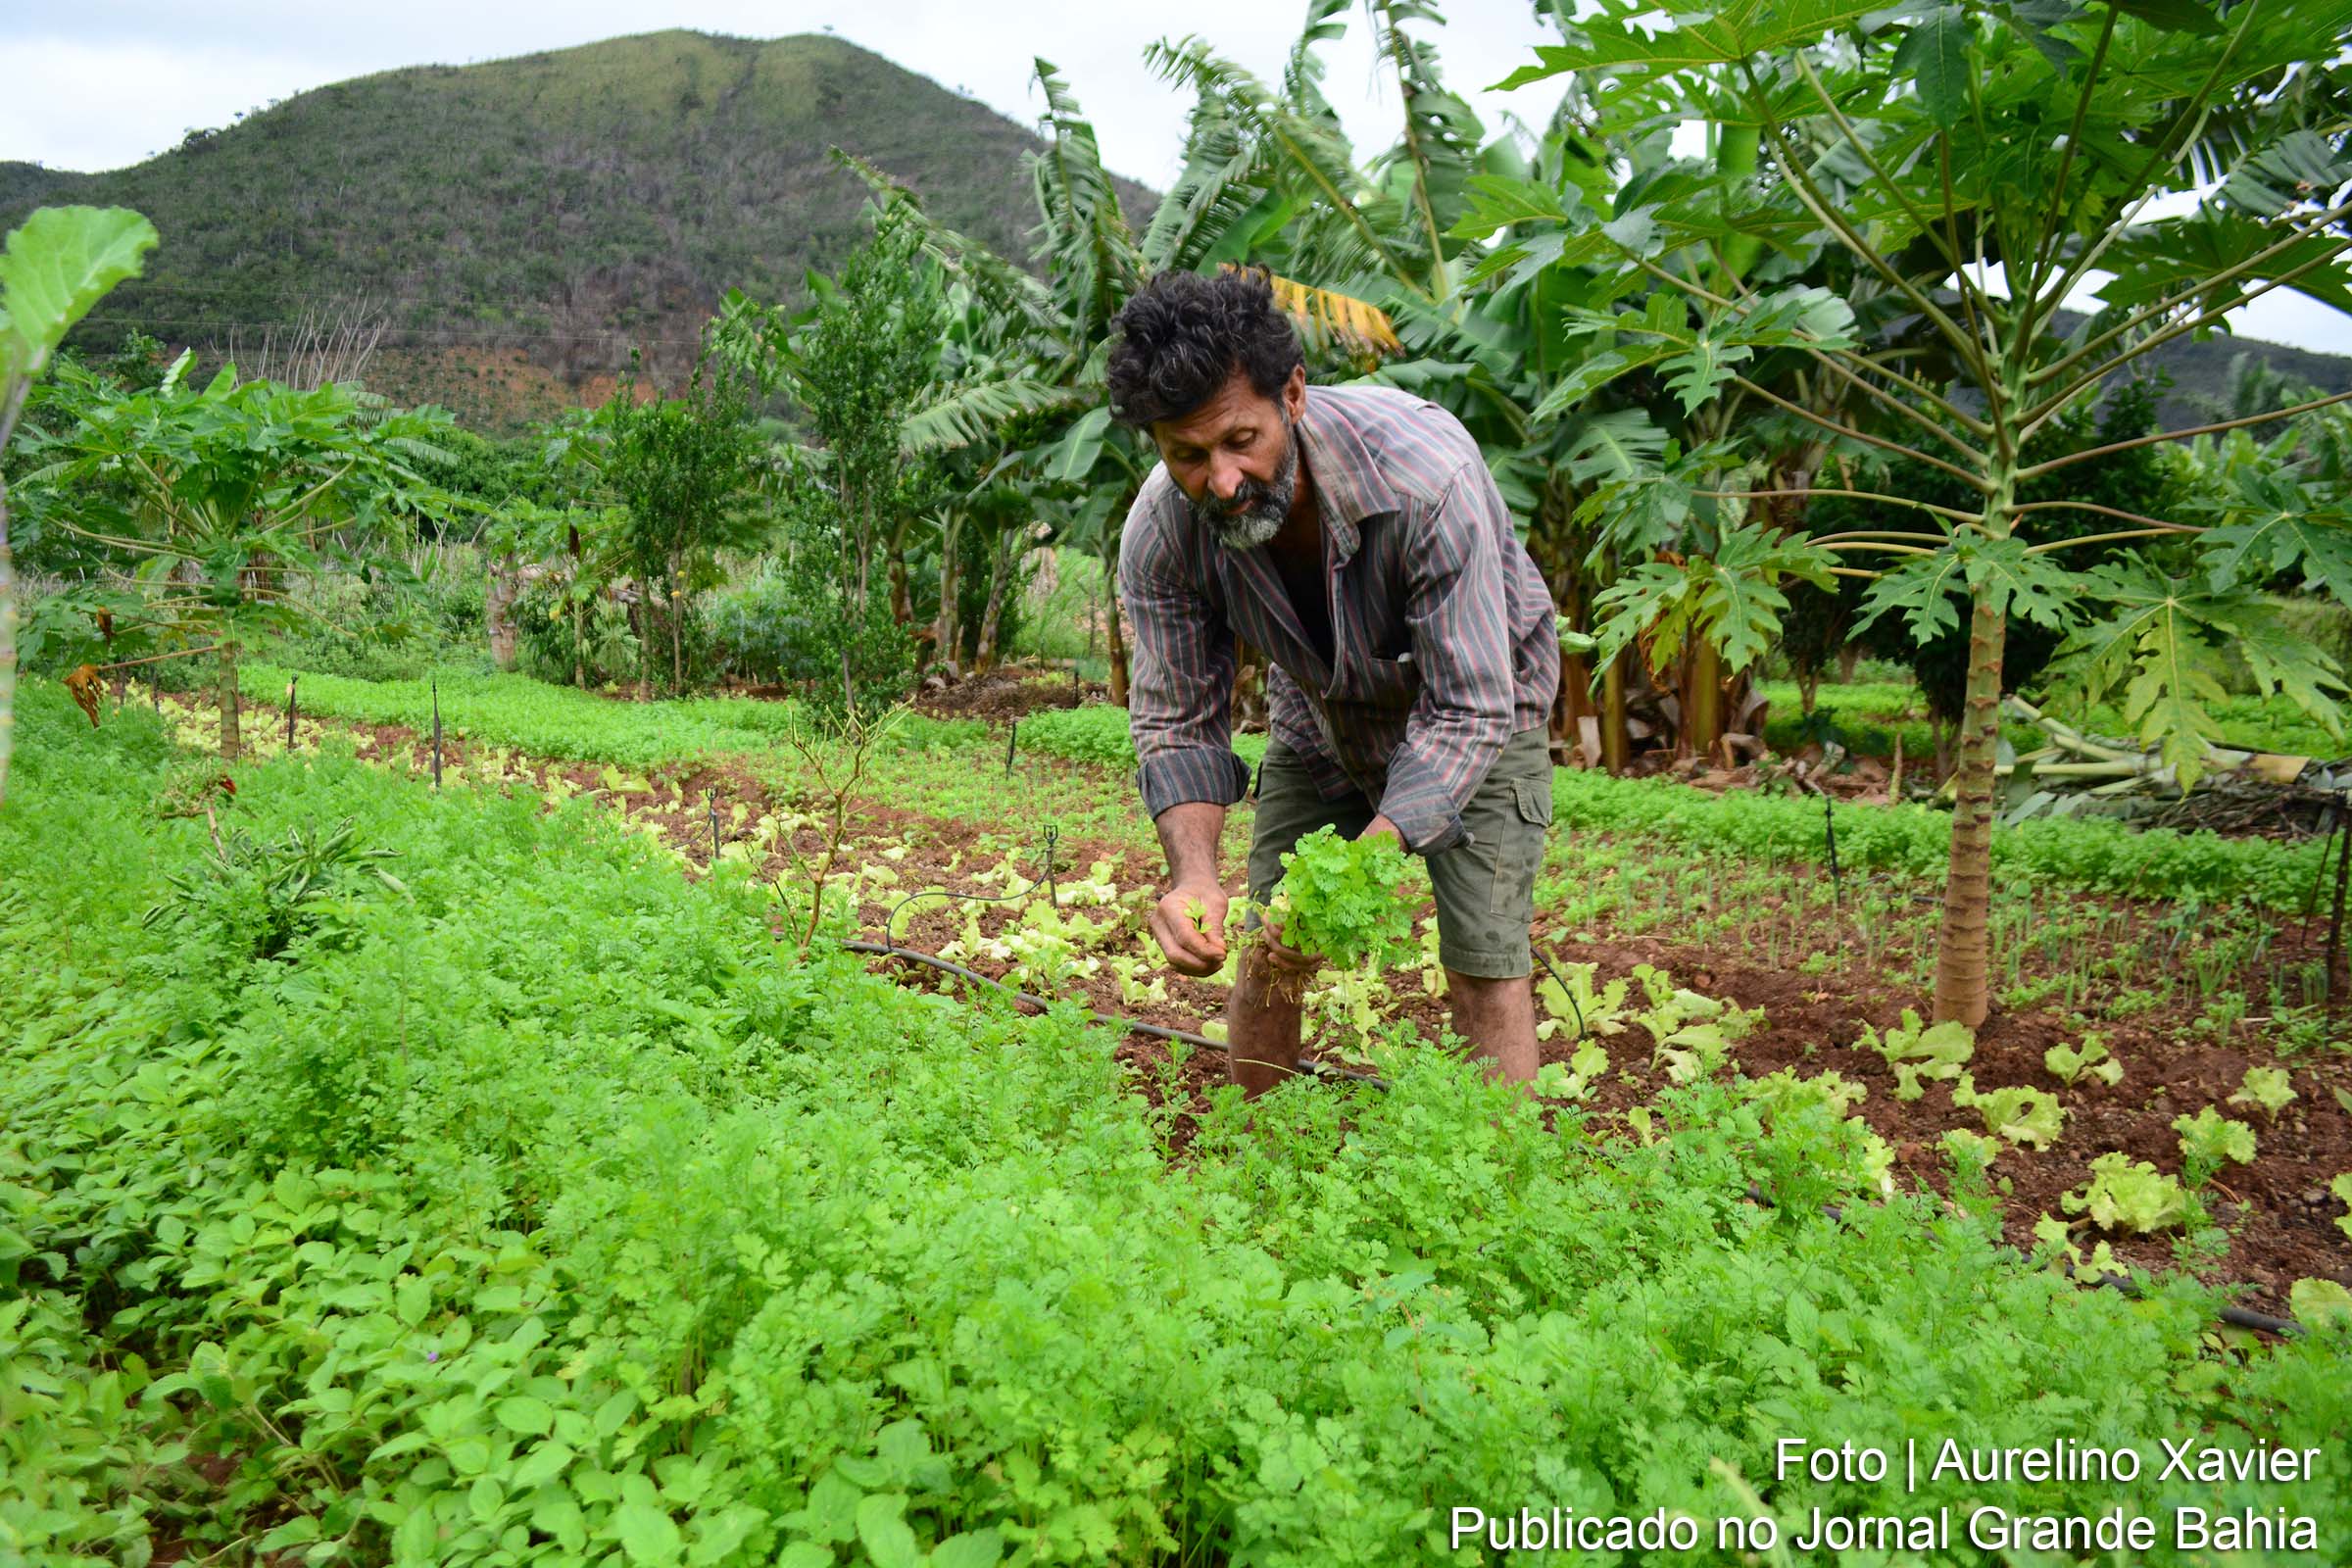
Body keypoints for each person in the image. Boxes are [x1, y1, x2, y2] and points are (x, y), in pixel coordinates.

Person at [1108, 268, 1561, 1096]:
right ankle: (1261, 1149)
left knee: (1482, 962)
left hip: (1481, 714)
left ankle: (1502, 1200)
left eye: (1241, 440)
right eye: (1187, 455)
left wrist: (1351, 880)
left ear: (1294, 395)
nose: (1222, 482)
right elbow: (1177, 723)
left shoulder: (1426, 477)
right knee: (1267, 948)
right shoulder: (1161, 534)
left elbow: (1467, 706)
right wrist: (1194, 879)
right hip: (1319, 713)